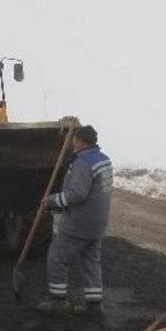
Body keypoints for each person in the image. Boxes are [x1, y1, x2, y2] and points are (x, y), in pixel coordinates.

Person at [37, 125, 113, 314]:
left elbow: (77, 194)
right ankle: (95, 304)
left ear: (82, 141)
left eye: (74, 140)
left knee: (57, 256)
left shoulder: (82, 163)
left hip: (79, 224)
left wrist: (53, 200)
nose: (72, 143)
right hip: (98, 223)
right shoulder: (104, 160)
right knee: (91, 261)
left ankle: (58, 300)